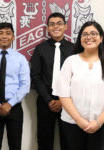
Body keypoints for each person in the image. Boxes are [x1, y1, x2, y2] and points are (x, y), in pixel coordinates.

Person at [56, 21, 104, 150]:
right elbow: (63, 94)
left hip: (102, 124)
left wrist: (98, 122)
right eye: (85, 34)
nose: (89, 37)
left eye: (93, 33)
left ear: (101, 38)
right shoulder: (70, 62)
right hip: (72, 123)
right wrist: (79, 120)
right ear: (80, 39)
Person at [30, 12, 74, 150]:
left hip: (69, 102)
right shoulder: (40, 49)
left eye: (59, 23)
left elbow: (77, 77)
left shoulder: (75, 49)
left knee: (68, 140)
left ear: (65, 26)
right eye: (52, 24)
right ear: (48, 28)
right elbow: (36, 76)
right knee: (44, 140)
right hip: (45, 101)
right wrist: (49, 100)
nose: (56, 27)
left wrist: (63, 101)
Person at [0, 22, 30, 150]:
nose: (4, 36)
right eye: (0, 33)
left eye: (8, 33)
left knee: (15, 144)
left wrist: (10, 104)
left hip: (14, 107)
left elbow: (25, 85)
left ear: (13, 37)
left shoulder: (21, 59)